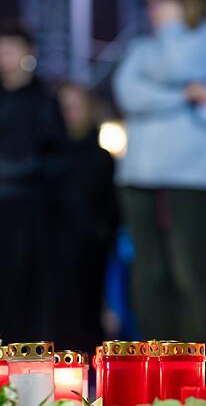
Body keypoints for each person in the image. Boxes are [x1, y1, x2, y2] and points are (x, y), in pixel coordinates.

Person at [113, 0, 206, 341]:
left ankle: (198, 364)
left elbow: (172, 68)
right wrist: (181, 96)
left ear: (185, 2)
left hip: (194, 177)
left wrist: (157, 87)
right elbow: (128, 95)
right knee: (149, 272)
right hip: (138, 175)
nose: (151, 10)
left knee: (190, 271)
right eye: (149, 3)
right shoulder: (142, 47)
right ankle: (156, 360)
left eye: (160, 2)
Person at [0, 23, 66, 342]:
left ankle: (30, 355)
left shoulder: (44, 103)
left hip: (31, 209)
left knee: (31, 284)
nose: (4, 58)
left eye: (10, 50)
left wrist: (24, 170)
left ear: (28, 54)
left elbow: (59, 156)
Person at [52, 82, 119, 349]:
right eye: (64, 107)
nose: (70, 113)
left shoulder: (101, 157)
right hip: (52, 246)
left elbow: (111, 206)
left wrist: (101, 233)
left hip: (89, 247)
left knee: (87, 307)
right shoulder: (47, 155)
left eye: (76, 107)